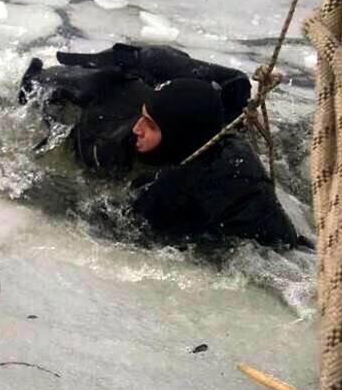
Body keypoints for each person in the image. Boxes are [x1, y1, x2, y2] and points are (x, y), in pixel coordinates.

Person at [20, 44, 300, 247]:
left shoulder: (224, 172)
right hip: (109, 98)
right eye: (144, 120)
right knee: (62, 85)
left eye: (151, 126)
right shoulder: (114, 139)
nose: (138, 130)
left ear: (180, 137)